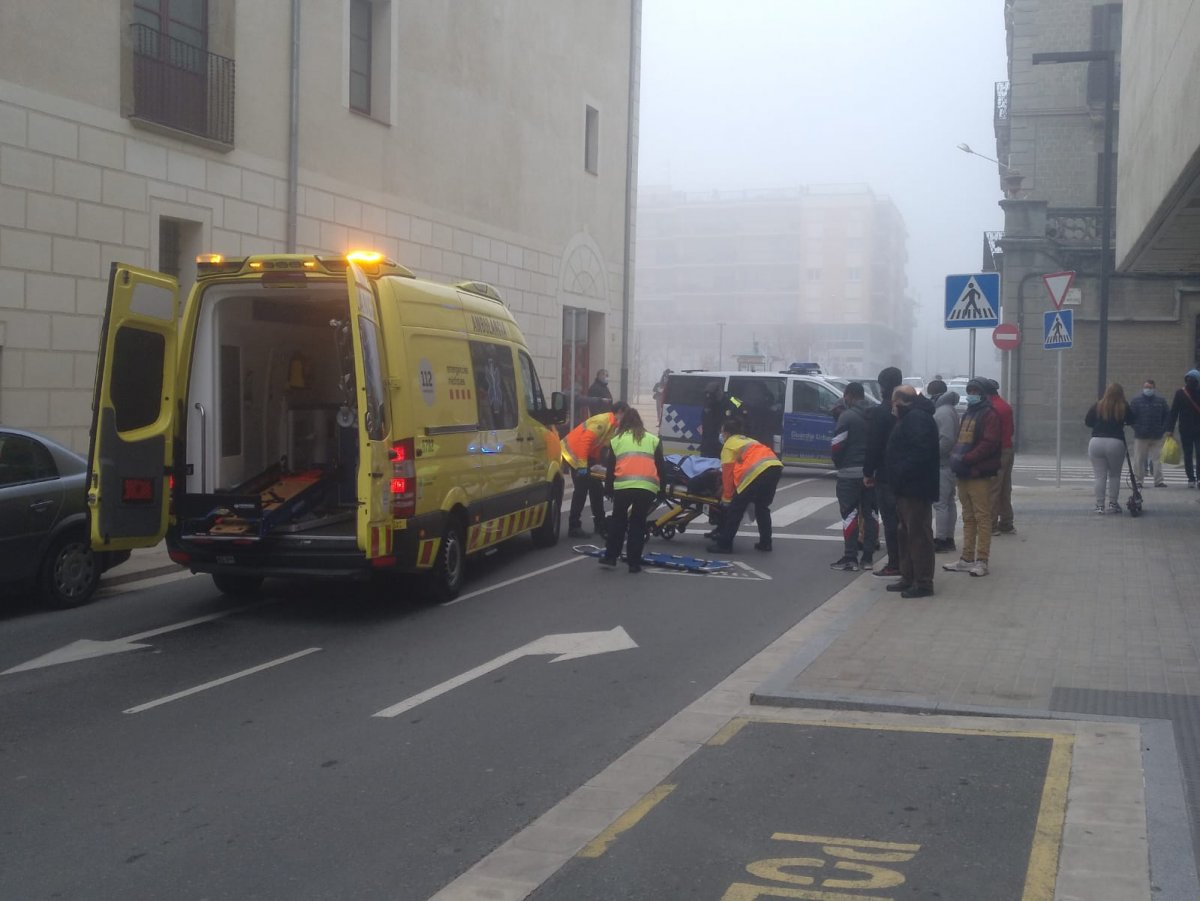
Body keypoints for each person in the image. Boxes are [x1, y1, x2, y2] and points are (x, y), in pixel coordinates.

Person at [882, 385, 940, 598]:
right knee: (905, 533)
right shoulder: (911, 417)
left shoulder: (918, 418)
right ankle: (908, 576)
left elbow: (919, 453)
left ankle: (923, 582)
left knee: (918, 535)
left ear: (900, 402)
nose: (892, 408)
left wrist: (900, 471)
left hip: (915, 488)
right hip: (905, 487)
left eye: (893, 404)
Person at [944, 377, 1002, 577]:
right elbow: (961, 439)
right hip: (964, 471)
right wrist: (956, 457)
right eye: (970, 391)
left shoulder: (989, 414)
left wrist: (967, 458)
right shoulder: (969, 412)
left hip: (978, 472)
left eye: (975, 391)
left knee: (982, 517)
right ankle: (967, 558)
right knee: (968, 517)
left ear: (983, 393)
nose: (971, 394)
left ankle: (982, 560)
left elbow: (989, 443)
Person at [600, 408, 666, 573]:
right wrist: (662, 489)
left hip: (623, 487)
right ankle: (633, 563)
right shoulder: (653, 440)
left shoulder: (617, 440)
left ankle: (611, 556)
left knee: (618, 522)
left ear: (623, 423)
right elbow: (661, 467)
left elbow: (610, 468)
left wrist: (608, 488)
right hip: (647, 488)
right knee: (638, 523)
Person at [707, 417, 783, 554]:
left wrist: (727, 498)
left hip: (757, 472)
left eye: (722, 432)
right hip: (775, 466)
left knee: (736, 509)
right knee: (762, 507)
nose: (721, 435)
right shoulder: (749, 440)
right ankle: (765, 543)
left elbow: (728, 474)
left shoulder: (729, 445)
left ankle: (724, 545)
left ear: (727, 433)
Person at [829, 382, 878, 572]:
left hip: (849, 474)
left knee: (850, 515)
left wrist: (839, 464)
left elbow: (837, 446)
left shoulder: (846, 416)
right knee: (871, 514)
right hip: (871, 474)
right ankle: (868, 558)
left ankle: (850, 557)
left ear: (848, 396)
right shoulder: (876, 415)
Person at [561, 401, 629, 538]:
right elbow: (585, 442)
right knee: (581, 489)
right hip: (574, 453)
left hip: (584, 456)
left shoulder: (612, 425)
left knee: (596, 489)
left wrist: (600, 464)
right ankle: (574, 526)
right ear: (620, 412)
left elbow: (601, 447)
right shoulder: (602, 422)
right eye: (626, 415)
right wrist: (581, 466)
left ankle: (600, 524)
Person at [863, 366, 904, 576]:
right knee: (903, 521)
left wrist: (868, 472)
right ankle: (905, 562)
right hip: (905, 474)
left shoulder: (881, 412)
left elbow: (874, 446)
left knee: (890, 521)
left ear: (882, 386)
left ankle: (895, 563)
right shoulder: (908, 408)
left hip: (886, 475)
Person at [1085, 383, 1136, 514]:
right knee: (1114, 475)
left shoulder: (1098, 405)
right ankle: (1113, 504)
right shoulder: (1123, 406)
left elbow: (1088, 421)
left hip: (1096, 441)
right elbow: (1132, 420)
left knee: (1099, 476)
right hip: (1115, 441)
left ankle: (1099, 505)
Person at [925, 378, 960, 554]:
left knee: (940, 504)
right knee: (948, 502)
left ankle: (941, 539)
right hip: (949, 463)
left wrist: (931, 455)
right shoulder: (949, 410)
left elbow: (946, 439)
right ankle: (948, 537)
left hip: (942, 464)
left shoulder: (942, 412)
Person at [984, 379, 1016, 536]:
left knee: (993, 489)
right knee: (1004, 488)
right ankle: (1007, 522)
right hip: (1008, 448)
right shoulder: (1004, 405)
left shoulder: (991, 408)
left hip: (996, 451)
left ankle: (990, 525)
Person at [1130, 378, 1171, 488]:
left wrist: (1162, 429)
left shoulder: (1161, 401)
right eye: (1146, 387)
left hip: (1156, 435)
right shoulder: (1136, 401)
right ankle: (1138, 481)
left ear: (1154, 388)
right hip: (1141, 435)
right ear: (1143, 388)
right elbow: (1131, 417)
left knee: (1157, 460)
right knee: (1139, 459)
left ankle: (1158, 481)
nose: (1148, 389)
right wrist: (1137, 428)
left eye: (1150, 387)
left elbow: (1167, 416)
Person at [1168, 369, 1200, 488]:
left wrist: (1170, 429)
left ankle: (1193, 478)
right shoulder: (1180, 393)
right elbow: (1174, 412)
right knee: (1189, 453)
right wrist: (1170, 428)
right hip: (1187, 429)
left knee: (1192, 453)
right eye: (1189, 379)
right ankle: (1192, 478)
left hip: (1188, 428)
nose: (1190, 382)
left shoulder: (1181, 393)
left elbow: (1173, 412)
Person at [699, 381, 740, 458]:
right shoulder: (709, 402)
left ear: (719, 391)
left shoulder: (732, 398)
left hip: (725, 441)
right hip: (709, 444)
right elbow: (706, 422)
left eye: (712, 394)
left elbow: (742, 407)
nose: (710, 397)